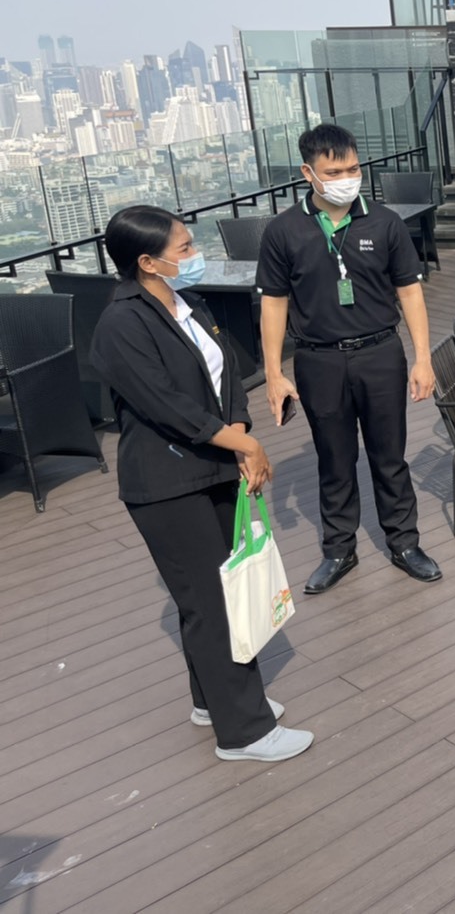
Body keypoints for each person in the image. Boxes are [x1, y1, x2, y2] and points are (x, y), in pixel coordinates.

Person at [91, 205, 314, 763]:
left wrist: (239, 428)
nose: (195, 256)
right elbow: (166, 405)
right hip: (168, 482)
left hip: (212, 463)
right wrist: (246, 445)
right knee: (212, 603)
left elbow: (228, 372)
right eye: (184, 249)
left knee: (217, 590)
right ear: (147, 262)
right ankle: (245, 732)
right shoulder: (122, 323)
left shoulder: (186, 302)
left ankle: (210, 701)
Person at [256, 124, 441, 594]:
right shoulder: (283, 231)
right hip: (318, 361)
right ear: (307, 173)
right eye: (333, 171)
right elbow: (274, 304)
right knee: (333, 460)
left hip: (380, 352)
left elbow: (410, 293)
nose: (346, 177)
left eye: (353, 168)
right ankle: (339, 550)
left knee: (389, 456)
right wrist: (275, 374)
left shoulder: (384, 223)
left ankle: (404, 543)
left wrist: (423, 358)